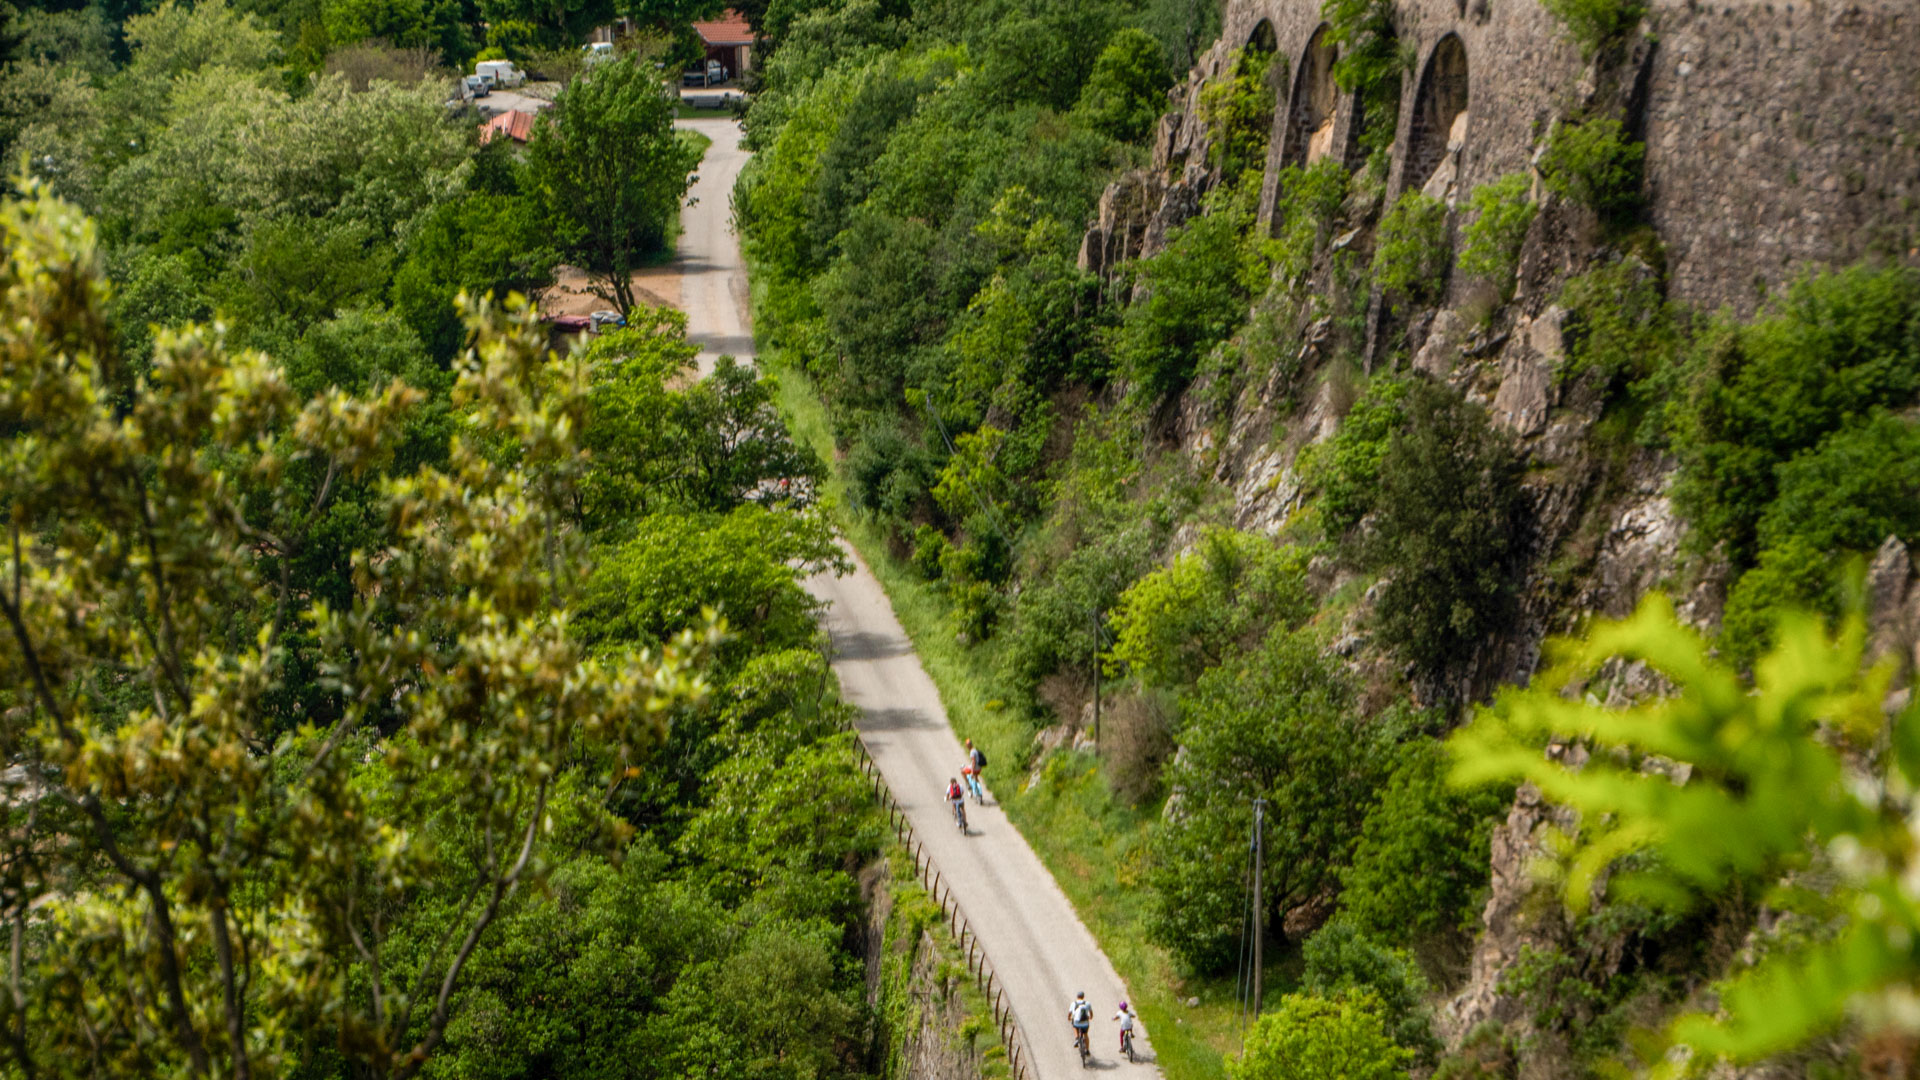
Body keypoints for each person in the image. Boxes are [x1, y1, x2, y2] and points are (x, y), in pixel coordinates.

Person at [965, 738, 987, 803]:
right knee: (976, 778)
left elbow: (973, 762)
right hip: (979, 768)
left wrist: (972, 771)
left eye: (967, 745)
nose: (966, 746)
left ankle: (969, 785)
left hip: (975, 769)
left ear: (968, 745)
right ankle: (979, 794)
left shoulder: (972, 752)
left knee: (963, 771)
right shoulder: (975, 750)